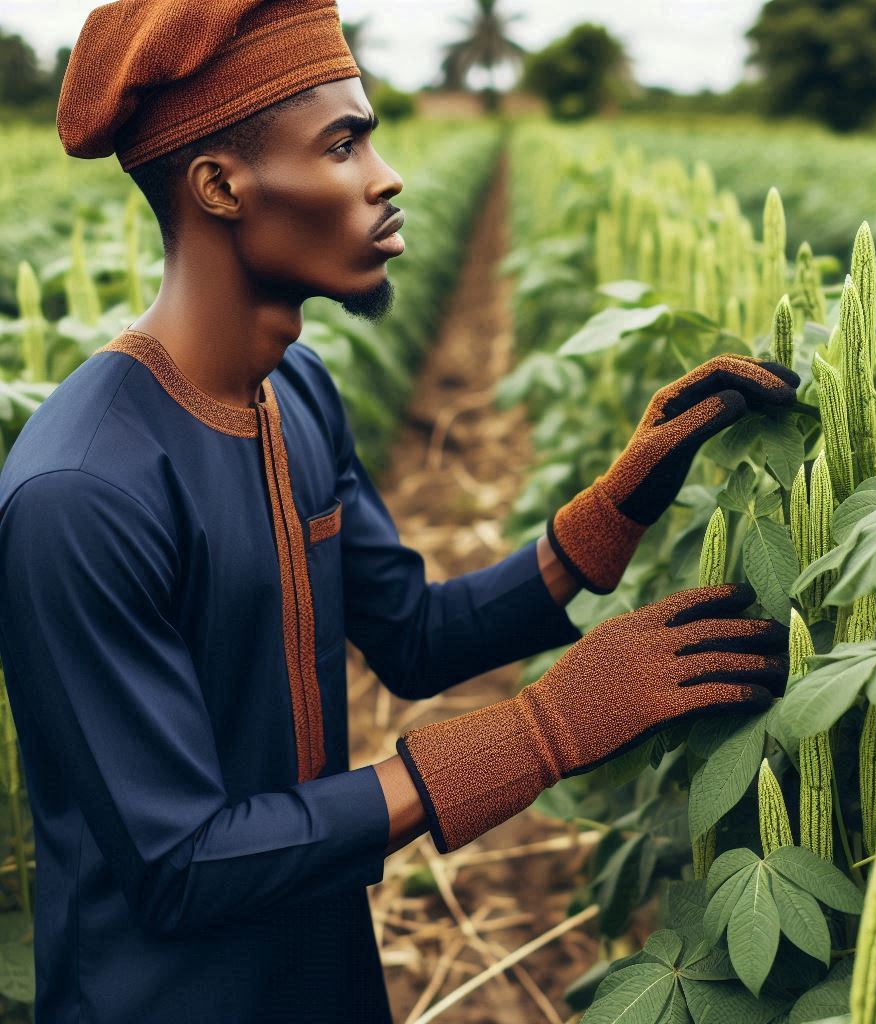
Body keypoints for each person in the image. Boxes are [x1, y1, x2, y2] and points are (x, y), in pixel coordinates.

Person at [0, 1, 799, 1021]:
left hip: (325, 970)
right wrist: (543, 729)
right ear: (220, 186)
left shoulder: (297, 397)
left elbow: (414, 636)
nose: (386, 175)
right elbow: (181, 860)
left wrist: (613, 507)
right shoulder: (82, 492)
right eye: (343, 143)